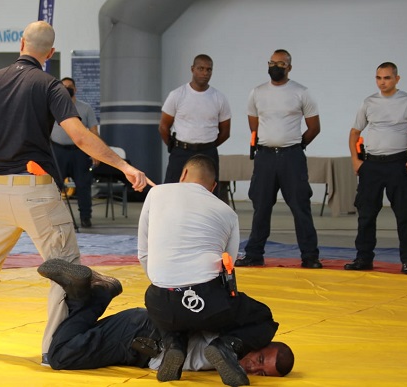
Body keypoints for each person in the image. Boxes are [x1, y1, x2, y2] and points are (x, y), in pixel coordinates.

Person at [0, 21, 152, 364]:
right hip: (35, 191)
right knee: (66, 271)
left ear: (21, 43)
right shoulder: (49, 85)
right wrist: (125, 167)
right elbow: (80, 137)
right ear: (49, 54)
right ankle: (55, 348)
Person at [138, 154, 277, 385]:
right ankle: (226, 347)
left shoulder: (156, 193)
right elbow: (227, 270)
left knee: (169, 305)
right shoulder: (228, 213)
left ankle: (175, 345)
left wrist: (169, 284)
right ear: (213, 187)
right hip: (207, 303)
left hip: (159, 301)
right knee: (263, 318)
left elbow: (143, 254)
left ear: (182, 174)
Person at [38, 258, 294, 381]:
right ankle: (95, 295)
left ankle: (89, 295)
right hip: (143, 336)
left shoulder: (230, 353)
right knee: (60, 356)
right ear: (261, 342)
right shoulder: (233, 334)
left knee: (74, 340)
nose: (253, 367)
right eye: (260, 360)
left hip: (140, 338)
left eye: (262, 372)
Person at [235, 49, 322, 269]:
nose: (275, 67)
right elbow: (253, 124)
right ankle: (254, 254)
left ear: (289, 67)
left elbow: (314, 128)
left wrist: (296, 145)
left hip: (292, 157)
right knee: (261, 207)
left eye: (281, 64)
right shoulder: (257, 92)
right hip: (264, 157)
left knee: (300, 206)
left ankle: (309, 256)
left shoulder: (301, 92)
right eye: (272, 63)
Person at [344, 62, 407, 276]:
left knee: (404, 215)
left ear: (397, 79)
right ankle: (363, 258)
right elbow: (354, 132)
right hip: (371, 165)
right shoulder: (369, 102)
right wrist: (356, 161)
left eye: (387, 78)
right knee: (366, 215)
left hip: (397, 165)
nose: (383, 82)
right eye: (379, 78)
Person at [159, 54, 231, 197]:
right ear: (192, 69)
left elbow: (225, 132)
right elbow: (163, 127)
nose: (205, 73)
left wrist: (208, 144)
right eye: (201, 68)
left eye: (209, 70)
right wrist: (174, 146)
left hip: (208, 152)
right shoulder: (177, 95)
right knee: (171, 192)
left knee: (209, 195)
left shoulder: (219, 98)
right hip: (181, 151)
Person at [51, 77, 99, 228]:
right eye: (63, 86)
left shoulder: (85, 108)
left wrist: (95, 152)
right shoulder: (53, 106)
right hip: (57, 150)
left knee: (83, 185)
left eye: (69, 87)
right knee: (54, 186)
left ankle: (85, 217)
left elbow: (93, 131)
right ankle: (55, 218)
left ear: (75, 89)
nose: (67, 89)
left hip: (79, 151)